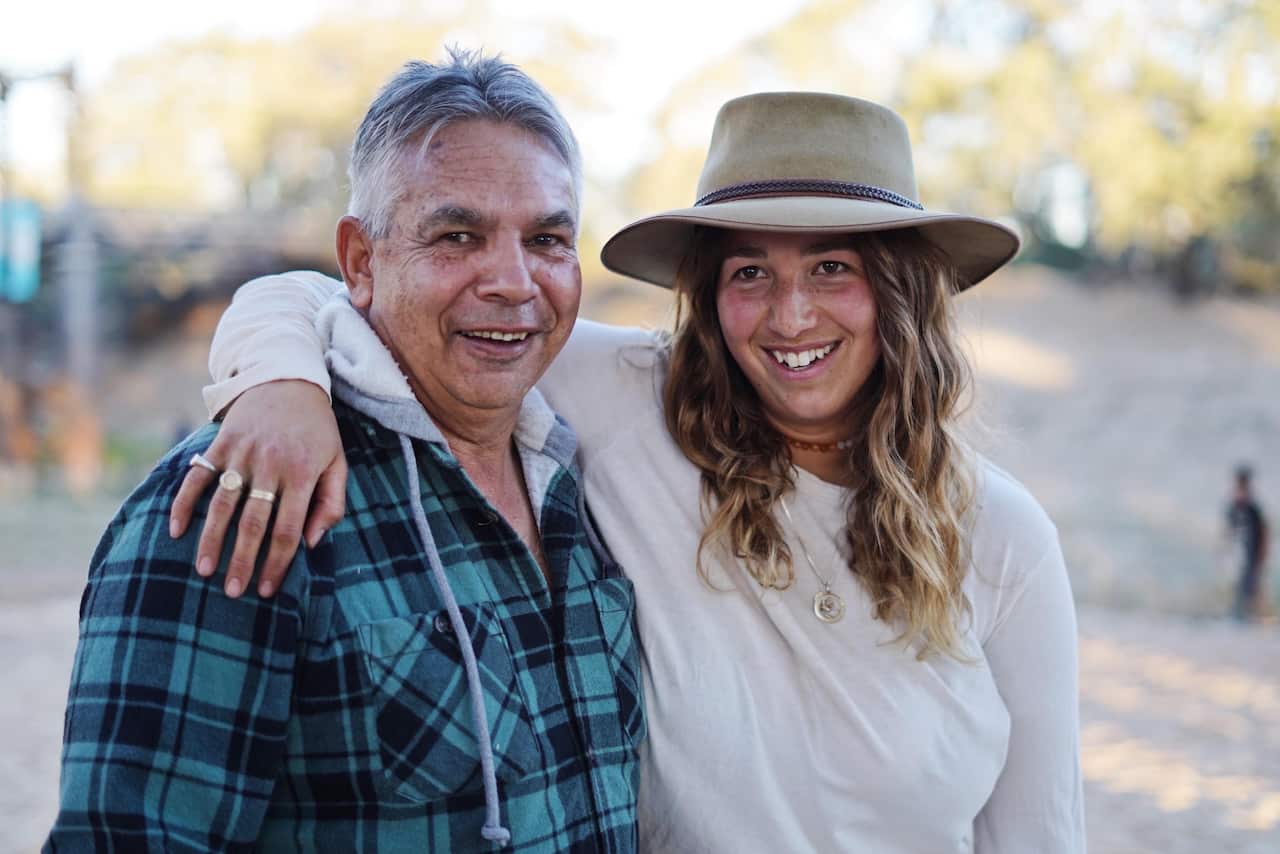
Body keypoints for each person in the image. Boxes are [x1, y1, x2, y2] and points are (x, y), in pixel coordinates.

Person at [174, 90, 1086, 851]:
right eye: (749, 273)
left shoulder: (1000, 535)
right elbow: (335, 298)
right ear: (706, 293)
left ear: (901, 292)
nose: (790, 315)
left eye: (834, 267)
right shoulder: (633, 402)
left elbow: (1041, 832)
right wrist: (277, 384)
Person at [47, 51, 645, 852]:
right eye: (457, 235)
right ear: (362, 262)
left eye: (546, 237)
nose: (512, 280)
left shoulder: (584, 474)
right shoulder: (244, 493)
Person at [1227, 465, 1269, 621]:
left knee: (1252, 586)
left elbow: (1265, 532)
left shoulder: (1253, 508)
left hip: (1252, 555)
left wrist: (1262, 554)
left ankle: (1257, 616)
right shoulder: (1233, 507)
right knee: (1240, 586)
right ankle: (1241, 614)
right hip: (1239, 555)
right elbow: (1229, 530)